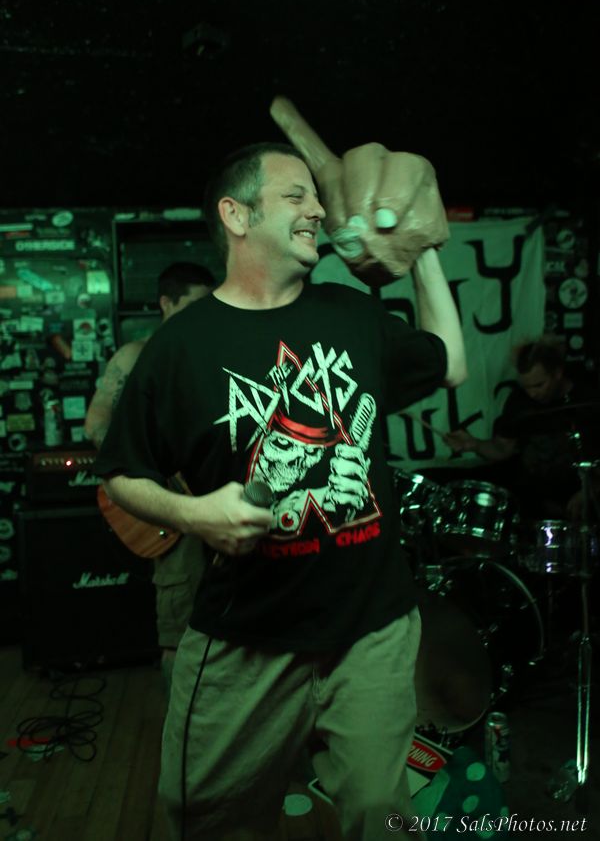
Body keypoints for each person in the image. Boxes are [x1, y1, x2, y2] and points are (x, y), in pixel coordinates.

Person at [93, 98, 467, 841]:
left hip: (371, 630)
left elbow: (450, 364)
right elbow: (121, 474)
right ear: (237, 216)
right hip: (247, 640)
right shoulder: (179, 348)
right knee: (204, 814)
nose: (317, 211)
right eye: (296, 196)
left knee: (381, 817)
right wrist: (195, 514)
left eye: (315, 199)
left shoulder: (351, 315)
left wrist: (421, 247)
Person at [85, 261, 215, 687]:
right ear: (166, 303)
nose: (203, 315)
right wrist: (153, 474)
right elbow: (96, 424)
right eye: (194, 305)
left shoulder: (209, 353)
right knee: (179, 631)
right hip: (174, 511)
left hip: (220, 503)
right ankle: (179, 724)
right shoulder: (135, 355)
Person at [445, 336, 600, 520]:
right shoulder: (519, 401)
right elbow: (503, 448)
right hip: (535, 503)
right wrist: (474, 444)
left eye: (539, 385)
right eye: (526, 387)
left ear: (557, 373)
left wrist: (590, 489)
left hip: (583, 501)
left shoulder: (587, 399)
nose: (532, 393)